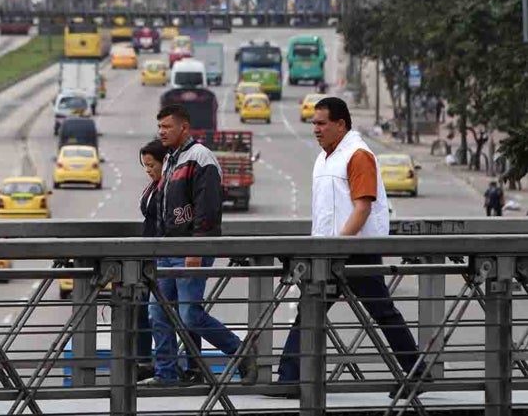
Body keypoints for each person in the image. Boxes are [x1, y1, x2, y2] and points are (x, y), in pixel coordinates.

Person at [269, 97, 424, 399]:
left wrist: (338, 245)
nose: (316, 129)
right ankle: (289, 378)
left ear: (340, 124)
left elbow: (362, 208)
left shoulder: (357, 155)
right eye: (314, 123)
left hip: (355, 251)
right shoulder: (325, 157)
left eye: (322, 123)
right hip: (328, 251)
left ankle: (416, 372)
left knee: (382, 311)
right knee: (309, 310)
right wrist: (323, 246)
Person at [139, 104, 258, 387]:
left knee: (189, 315)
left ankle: (240, 352)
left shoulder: (201, 158)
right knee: (158, 313)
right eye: (160, 127)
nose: (161, 132)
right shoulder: (171, 159)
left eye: (167, 127)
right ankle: (166, 374)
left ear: (184, 128)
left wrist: (196, 248)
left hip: (191, 251)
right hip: (167, 252)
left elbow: (208, 209)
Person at [136, 139, 169, 382]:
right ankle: (145, 361)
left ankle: (175, 367)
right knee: (141, 307)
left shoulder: (170, 187)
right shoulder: (153, 185)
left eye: (151, 165)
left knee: (165, 312)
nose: (148, 170)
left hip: (162, 256)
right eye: (145, 166)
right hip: (147, 255)